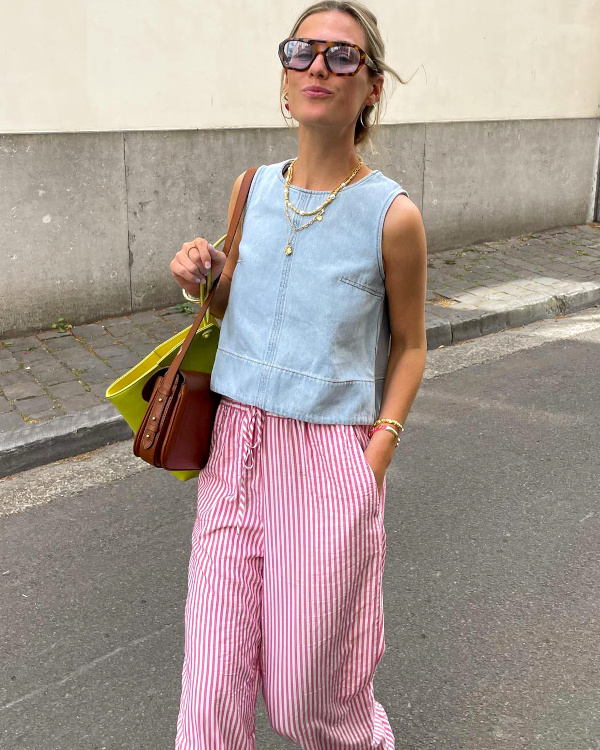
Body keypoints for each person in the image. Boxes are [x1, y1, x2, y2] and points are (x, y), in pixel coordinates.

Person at [169, 1, 427, 747]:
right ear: (285, 77)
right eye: (302, 51)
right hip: (234, 449)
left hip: (328, 462)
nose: (318, 66)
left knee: (308, 698)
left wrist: (376, 452)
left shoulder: (391, 215)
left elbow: (410, 344)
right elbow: (235, 307)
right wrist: (202, 279)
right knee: (210, 691)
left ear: (371, 87)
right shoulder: (251, 188)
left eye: (341, 55)